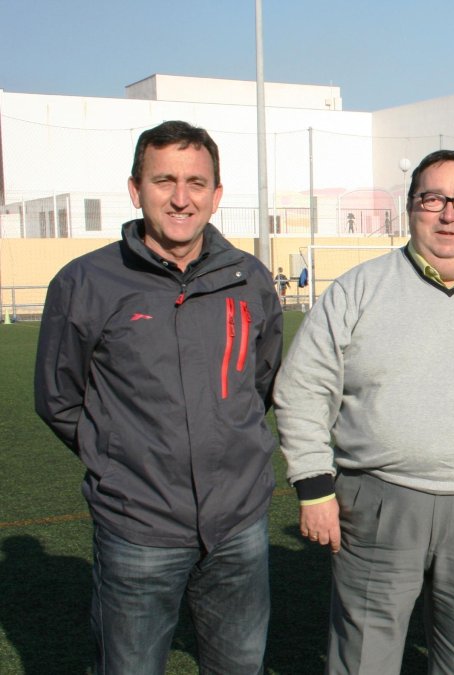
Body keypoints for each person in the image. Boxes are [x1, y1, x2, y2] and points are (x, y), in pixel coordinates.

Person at [273, 150, 454, 674]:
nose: (449, 214)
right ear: (410, 206)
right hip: (377, 500)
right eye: (433, 199)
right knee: (364, 659)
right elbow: (303, 387)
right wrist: (313, 486)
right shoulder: (359, 288)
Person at [34, 120, 283, 673]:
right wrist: (119, 460)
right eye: (164, 180)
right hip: (137, 527)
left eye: (196, 183)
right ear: (135, 189)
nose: (180, 198)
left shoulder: (249, 278)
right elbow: (58, 398)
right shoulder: (85, 282)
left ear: (216, 194)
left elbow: (261, 381)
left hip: (239, 525)